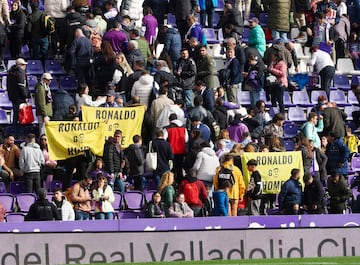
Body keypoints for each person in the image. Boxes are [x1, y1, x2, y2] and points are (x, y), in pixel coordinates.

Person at [7, 58, 30, 138]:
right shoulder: (20, 72)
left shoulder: (10, 72)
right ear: (19, 65)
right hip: (20, 97)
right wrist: (25, 96)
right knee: (21, 116)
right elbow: (22, 86)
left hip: (13, 97)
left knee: (15, 116)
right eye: (23, 65)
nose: (25, 66)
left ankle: (14, 134)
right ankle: (20, 135)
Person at [163, 113, 188, 184]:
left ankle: (172, 183)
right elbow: (186, 139)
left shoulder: (167, 128)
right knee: (179, 168)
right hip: (181, 151)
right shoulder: (184, 128)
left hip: (171, 151)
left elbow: (164, 139)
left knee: (171, 168)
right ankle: (180, 183)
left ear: (170, 120)